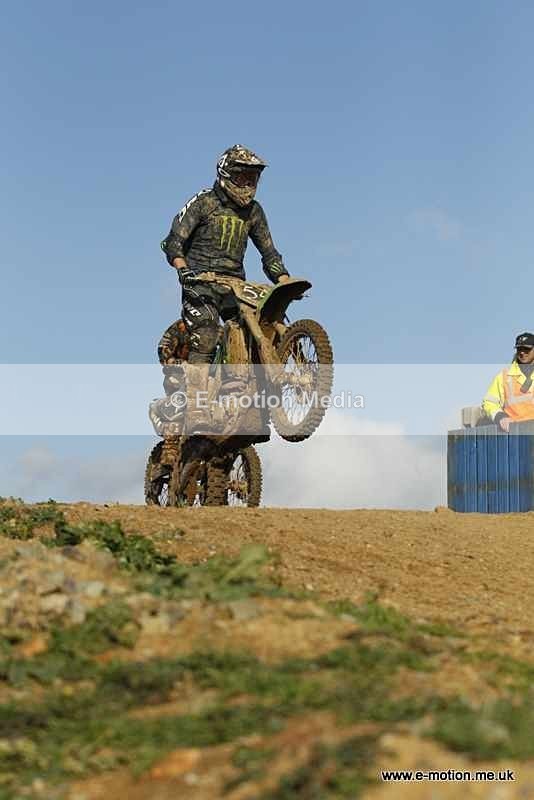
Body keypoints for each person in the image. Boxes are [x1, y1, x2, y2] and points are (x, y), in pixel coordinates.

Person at [160, 144, 290, 429]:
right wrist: (183, 269)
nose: (248, 185)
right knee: (206, 335)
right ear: (226, 175)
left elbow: (269, 253)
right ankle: (195, 408)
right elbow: (173, 242)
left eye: (253, 179)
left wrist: (283, 281)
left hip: (235, 286)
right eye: (242, 177)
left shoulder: (254, 212)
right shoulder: (204, 202)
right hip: (201, 284)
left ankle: (250, 404)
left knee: (255, 331)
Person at [482, 332, 534, 431]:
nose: (522, 352)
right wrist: (500, 416)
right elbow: (489, 402)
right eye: (519, 349)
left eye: (527, 349)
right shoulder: (503, 376)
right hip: (515, 434)